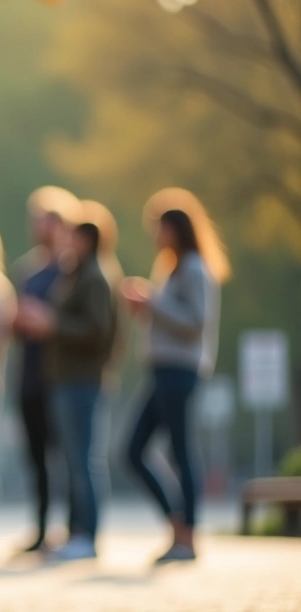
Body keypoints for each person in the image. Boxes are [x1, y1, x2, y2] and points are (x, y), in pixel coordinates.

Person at [121, 202, 227, 564]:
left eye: (160, 227)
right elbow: (167, 320)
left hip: (181, 370)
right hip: (162, 368)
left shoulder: (195, 269)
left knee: (179, 450)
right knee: (133, 451)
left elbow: (196, 321)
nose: (155, 235)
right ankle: (177, 524)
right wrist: (146, 308)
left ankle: (189, 535)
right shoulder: (170, 269)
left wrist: (153, 302)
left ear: (177, 229)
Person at [17, 223, 116, 561]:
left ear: (87, 239)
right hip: (64, 380)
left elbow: (98, 330)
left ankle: (87, 534)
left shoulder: (94, 278)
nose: (67, 242)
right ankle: (77, 532)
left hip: (81, 381)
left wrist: (52, 323)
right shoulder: (77, 274)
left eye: (74, 236)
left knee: (84, 461)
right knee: (74, 461)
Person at [10, 186, 79, 552]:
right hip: (29, 375)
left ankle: (72, 528)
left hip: (60, 376)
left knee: (65, 456)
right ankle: (39, 530)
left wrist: (47, 322)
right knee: (35, 458)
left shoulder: (71, 271)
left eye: (45, 220)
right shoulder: (27, 270)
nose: (38, 227)